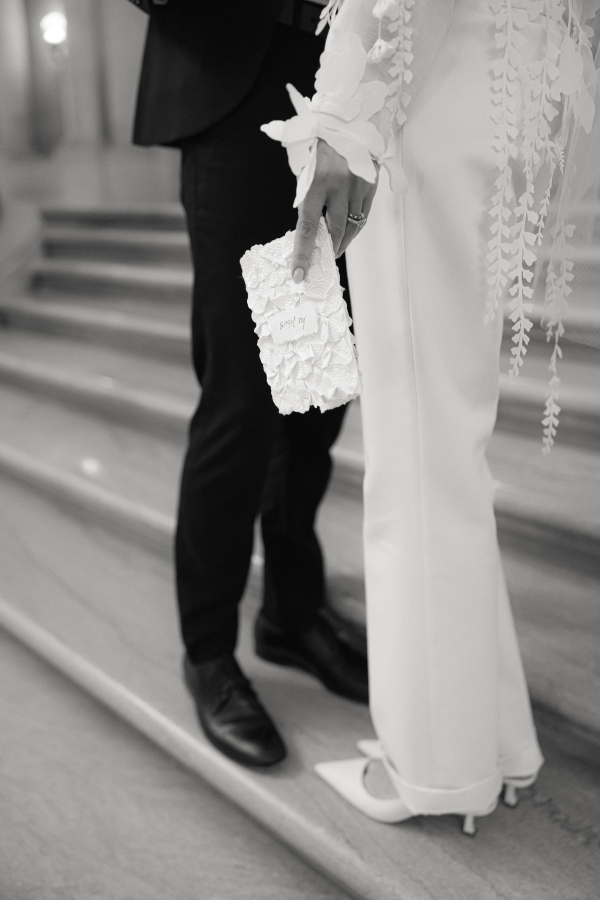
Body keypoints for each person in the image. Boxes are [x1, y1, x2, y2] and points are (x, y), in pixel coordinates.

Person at [263, 0, 600, 830]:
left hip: (416, 104)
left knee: (416, 456)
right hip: (486, 100)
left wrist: (341, 124)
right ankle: (490, 739)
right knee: (447, 448)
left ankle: (433, 769)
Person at [131, 0, 369, 770]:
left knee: (314, 389)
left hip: (343, 98)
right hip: (234, 82)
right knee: (242, 398)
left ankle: (292, 614)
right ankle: (207, 651)